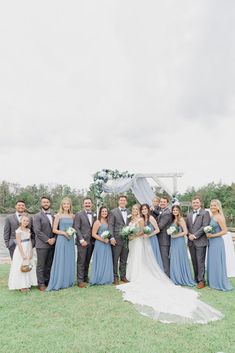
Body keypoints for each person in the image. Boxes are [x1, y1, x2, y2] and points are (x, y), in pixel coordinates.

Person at [116, 214, 223, 324]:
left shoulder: (154, 218)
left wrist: (138, 235)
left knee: (145, 259)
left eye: (136, 209)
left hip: (148, 240)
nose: (135, 211)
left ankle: (198, 279)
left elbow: (157, 227)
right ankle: (128, 275)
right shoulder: (133, 218)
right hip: (134, 241)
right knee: (132, 258)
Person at [47, 197, 75, 291]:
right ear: (62, 205)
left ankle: (68, 281)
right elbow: (54, 229)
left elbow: (74, 228)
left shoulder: (72, 216)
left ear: (70, 205)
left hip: (70, 240)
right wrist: (64, 233)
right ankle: (59, 281)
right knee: (61, 259)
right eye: (64, 204)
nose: (66, 205)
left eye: (68, 204)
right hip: (62, 240)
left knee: (69, 259)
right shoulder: (58, 215)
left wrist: (71, 233)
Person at [206, 200, 233, 291]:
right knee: (212, 262)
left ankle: (218, 282)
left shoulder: (220, 217)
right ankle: (212, 282)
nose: (212, 207)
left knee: (217, 262)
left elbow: (224, 231)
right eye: (211, 205)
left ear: (218, 207)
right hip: (211, 242)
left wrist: (212, 235)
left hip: (217, 242)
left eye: (214, 205)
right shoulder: (211, 216)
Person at [8, 214, 37, 292]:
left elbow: (30, 241)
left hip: (28, 248)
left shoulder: (28, 230)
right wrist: (23, 254)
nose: (25, 222)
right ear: (21, 221)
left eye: (27, 221)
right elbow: (19, 243)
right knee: (21, 265)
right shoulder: (18, 230)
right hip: (21, 250)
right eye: (24, 220)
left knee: (28, 265)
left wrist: (31, 251)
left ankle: (28, 283)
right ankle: (22, 286)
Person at [186, 196, 210, 289]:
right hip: (191, 242)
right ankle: (196, 278)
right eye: (194, 202)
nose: (195, 204)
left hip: (200, 241)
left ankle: (201, 281)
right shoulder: (189, 214)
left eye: (197, 202)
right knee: (194, 261)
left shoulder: (205, 213)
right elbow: (187, 227)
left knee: (200, 261)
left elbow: (205, 226)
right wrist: (189, 235)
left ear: (200, 203)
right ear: (192, 204)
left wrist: (194, 235)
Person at [33, 196, 56, 291]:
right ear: (41, 204)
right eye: (44, 202)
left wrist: (54, 238)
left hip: (53, 244)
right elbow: (37, 231)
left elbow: (56, 229)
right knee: (41, 265)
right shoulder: (37, 216)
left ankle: (48, 281)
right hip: (42, 245)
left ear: (50, 203)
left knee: (49, 264)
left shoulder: (54, 215)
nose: (46, 204)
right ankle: (41, 283)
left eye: (47, 202)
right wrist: (48, 240)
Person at [169, 205, 195, 286]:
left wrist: (176, 236)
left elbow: (186, 232)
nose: (175, 211)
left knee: (179, 258)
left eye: (176, 210)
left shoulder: (181, 219)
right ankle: (175, 277)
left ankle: (181, 278)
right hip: (173, 241)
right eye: (174, 210)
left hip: (179, 241)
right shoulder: (173, 220)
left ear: (179, 211)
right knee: (174, 259)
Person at [74, 198, 96, 288]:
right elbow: (76, 227)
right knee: (81, 261)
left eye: (89, 203)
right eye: (86, 203)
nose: (87, 204)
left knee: (87, 260)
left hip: (92, 241)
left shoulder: (95, 214)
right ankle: (80, 280)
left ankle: (85, 277)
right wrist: (81, 240)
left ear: (92, 204)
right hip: (82, 241)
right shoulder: (79, 214)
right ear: (83, 204)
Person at [108, 195, 130, 285]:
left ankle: (123, 276)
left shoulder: (129, 212)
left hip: (127, 240)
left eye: (124, 200)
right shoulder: (113, 212)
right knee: (115, 259)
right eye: (121, 200)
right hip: (116, 239)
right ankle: (115, 277)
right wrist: (111, 237)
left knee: (124, 259)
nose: (122, 202)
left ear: (126, 202)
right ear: (118, 201)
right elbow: (110, 225)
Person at [90, 206, 113, 285]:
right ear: (100, 213)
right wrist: (103, 239)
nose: (104, 213)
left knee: (106, 260)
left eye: (105, 211)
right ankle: (98, 278)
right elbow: (93, 234)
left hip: (107, 244)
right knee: (100, 260)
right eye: (103, 211)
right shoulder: (97, 222)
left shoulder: (108, 222)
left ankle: (106, 278)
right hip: (100, 244)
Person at [140, 203, 163, 271]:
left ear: (148, 210)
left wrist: (149, 235)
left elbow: (157, 230)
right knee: (147, 257)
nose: (144, 210)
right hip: (145, 240)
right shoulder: (142, 219)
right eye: (142, 209)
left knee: (152, 257)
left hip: (152, 239)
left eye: (145, 209)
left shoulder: (151, 218)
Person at [157, 196, 172, 277]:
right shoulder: (161, 211)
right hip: (160, 239)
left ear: (167, 203)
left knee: (165, 258)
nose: (162, 203)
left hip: (164, 240)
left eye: (164, 202)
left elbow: (160, 226)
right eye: (161, 202)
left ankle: (167, 276)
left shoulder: (167, 213)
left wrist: (149, 229)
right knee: (162, 258)